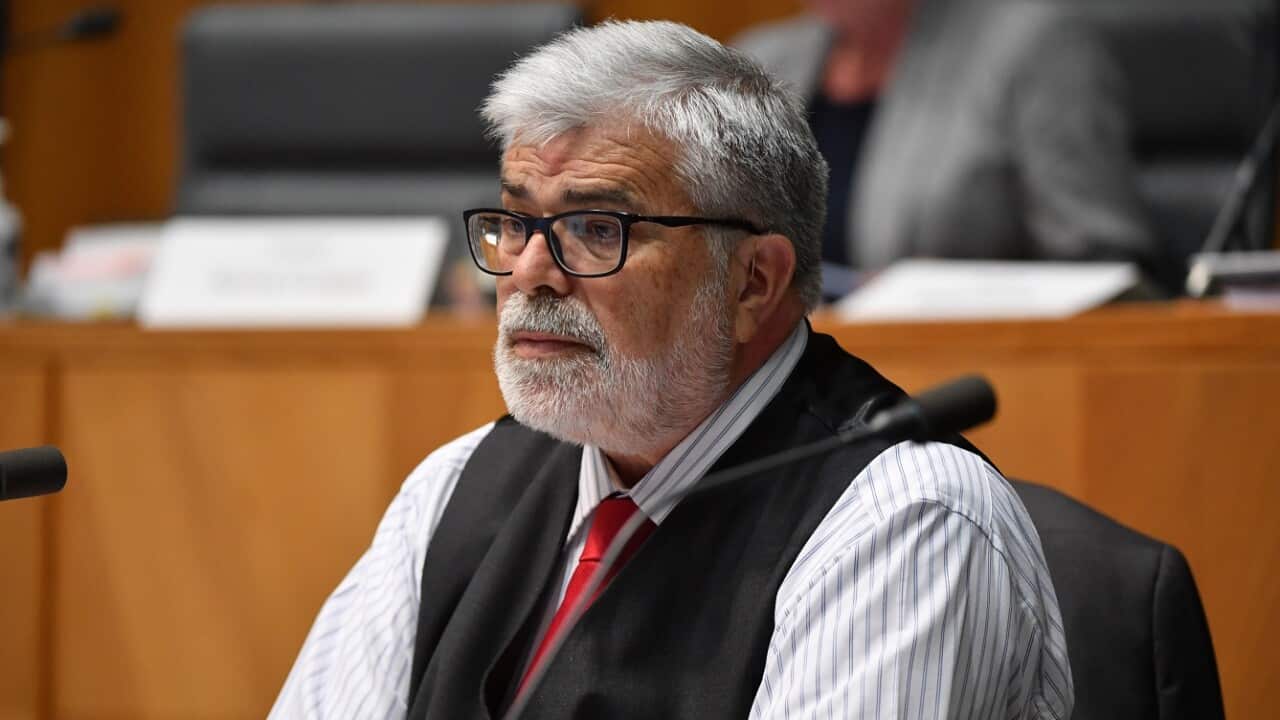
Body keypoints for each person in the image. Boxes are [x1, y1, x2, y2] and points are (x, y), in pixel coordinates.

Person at [270, 20, 1072, 719]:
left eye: (594, 226)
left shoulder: (904, 524)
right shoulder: (455, 492)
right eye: (517, 221)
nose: (528, 273)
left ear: (752, 282)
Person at [735, 0, 1158, 299]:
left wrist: (945, 291)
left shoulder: (1034, 46)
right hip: (783, 383)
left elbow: (1105, 268)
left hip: (973, 382)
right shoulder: (759, 59)